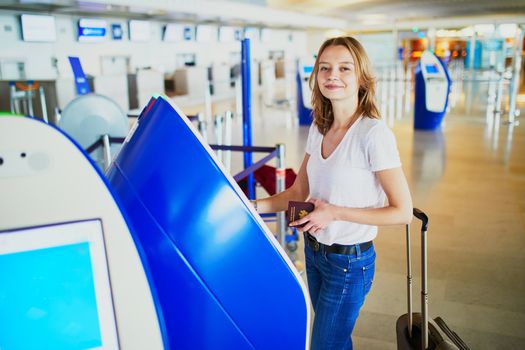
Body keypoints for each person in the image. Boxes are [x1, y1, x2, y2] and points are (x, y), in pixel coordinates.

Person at [252, 36, 413, 349]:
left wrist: (335, 211)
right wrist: (248, 206)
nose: (332, 75)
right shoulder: (320, 126)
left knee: (326, 343)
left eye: (344, 68)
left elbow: (403, 211)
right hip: (314, 251)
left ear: (362, 78)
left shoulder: (372, 134)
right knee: (334, 340)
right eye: (324, 68)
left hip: (349, 261)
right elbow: (298, 191)